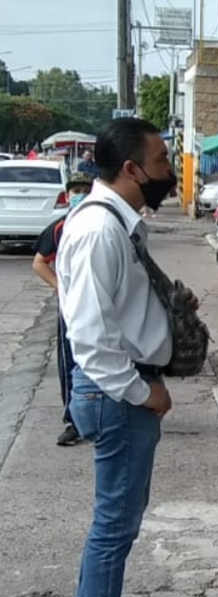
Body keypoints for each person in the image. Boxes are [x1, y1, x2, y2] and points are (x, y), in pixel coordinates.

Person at [56, 117, 196, 597]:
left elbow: (119, 306)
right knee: (113, 529)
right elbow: (91, 337)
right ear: (133, 170)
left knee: (116, 527)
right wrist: (144, 393)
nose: (169, 170)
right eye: (161, 161)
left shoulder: (114, 223)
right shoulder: (99, 230)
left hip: (120, 389)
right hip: (118, 393)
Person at [31, 171, 94, 446]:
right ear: (67, 195)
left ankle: (104, 415)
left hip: (101, 304)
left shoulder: (101, 223)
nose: (78, 195)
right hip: (71, 308)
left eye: (83, 189)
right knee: (70, 362)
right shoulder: (60, 227)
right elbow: (39, 263)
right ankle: (73, 420)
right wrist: (60, 288)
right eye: (74, 191)